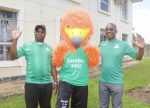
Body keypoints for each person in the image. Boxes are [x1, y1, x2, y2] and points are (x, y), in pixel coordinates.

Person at [99, 23, 144, 108]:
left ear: (116, 31)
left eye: (111, 29)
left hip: (116, 83)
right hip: (103, 82)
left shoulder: (123, 44)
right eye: (107, 29)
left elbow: (138, 57)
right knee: (103, 106)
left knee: (117, 106)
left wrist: (141, 48)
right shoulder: (102, 44)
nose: (108, 30)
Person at [10, 25, 55, 108]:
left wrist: (55, 81)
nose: (40, 33)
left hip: (47, 84)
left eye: (42, 32)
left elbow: (52, 66)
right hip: (31, 84)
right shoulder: (27, 46)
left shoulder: (49, 48)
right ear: (34, 33)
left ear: (45, 34)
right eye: (37, 31)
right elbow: (13, 57)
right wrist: (15, 40)